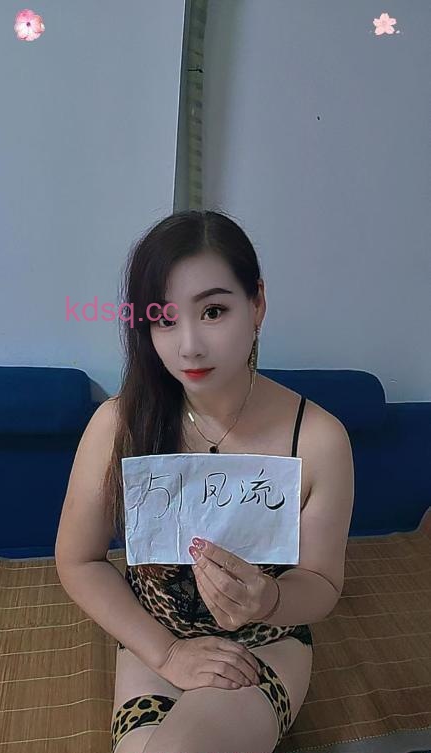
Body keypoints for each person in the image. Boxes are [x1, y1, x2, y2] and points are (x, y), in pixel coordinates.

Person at [56, 209, 355, 753]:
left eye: (213, 311)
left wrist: (267, 600)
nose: (189, 346)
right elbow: (78, 560)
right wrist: (167, 652)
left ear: (257, 303)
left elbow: (322, 584)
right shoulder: (120, 424)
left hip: (265, 642)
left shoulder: (318, 439)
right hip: (153, 642)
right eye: (165, 319)